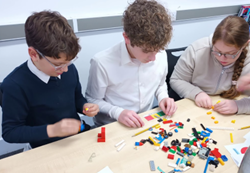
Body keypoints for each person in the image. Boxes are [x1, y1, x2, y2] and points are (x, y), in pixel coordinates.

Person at [0, 11, 99, 148]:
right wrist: (52, 130)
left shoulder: (69, 69)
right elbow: (10, 132)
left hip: (77, 138)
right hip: (44, 148)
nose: (65, 70)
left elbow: (76, 98)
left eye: (69, 62)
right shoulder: (14, 85)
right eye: (58, 65)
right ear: (33, 54)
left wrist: (84, 106)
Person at [86, 0, 177, 128]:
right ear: (127, 38)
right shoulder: (102, 62)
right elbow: (93, 100)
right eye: (146, 51)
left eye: (158, 50)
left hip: (145, 121)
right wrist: (118, 112)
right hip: (112, 126)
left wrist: (163, 97)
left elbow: (160, 84)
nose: (153, 58)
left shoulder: (160, 54)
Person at [170, 16, 250, 115]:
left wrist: (239, 106)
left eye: (230, 53)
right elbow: (176, 79)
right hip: (191, 104)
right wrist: (196, 93)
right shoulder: (197, 49)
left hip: (224, 107)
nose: (222, 58)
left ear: (245, 45)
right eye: (217, 51)